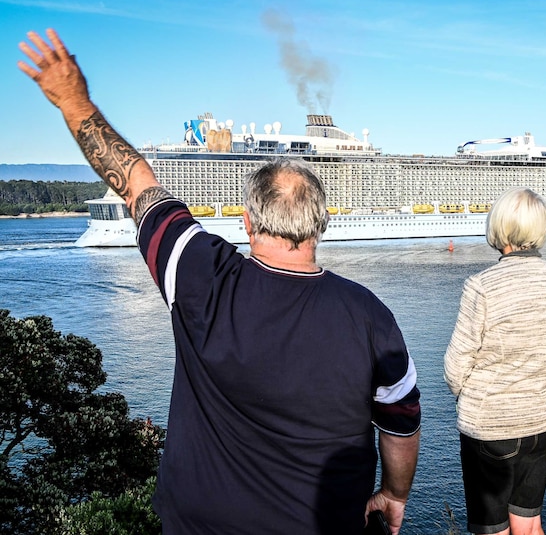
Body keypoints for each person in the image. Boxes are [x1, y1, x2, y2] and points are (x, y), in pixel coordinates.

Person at [18, 29, 421, 535]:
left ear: (247, 222)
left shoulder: (200, 274)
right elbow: (402, 422)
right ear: (322, 223)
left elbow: (136, 181)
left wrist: (72, 99)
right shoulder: (370, 315)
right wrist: (395, 492)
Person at [444, 187, 546, 535]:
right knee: (530, 523)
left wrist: (471, 397)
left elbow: (455, 364)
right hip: (544, 420)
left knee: (494, 530)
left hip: (491, 426)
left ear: (498, 226)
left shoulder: (482, 286)